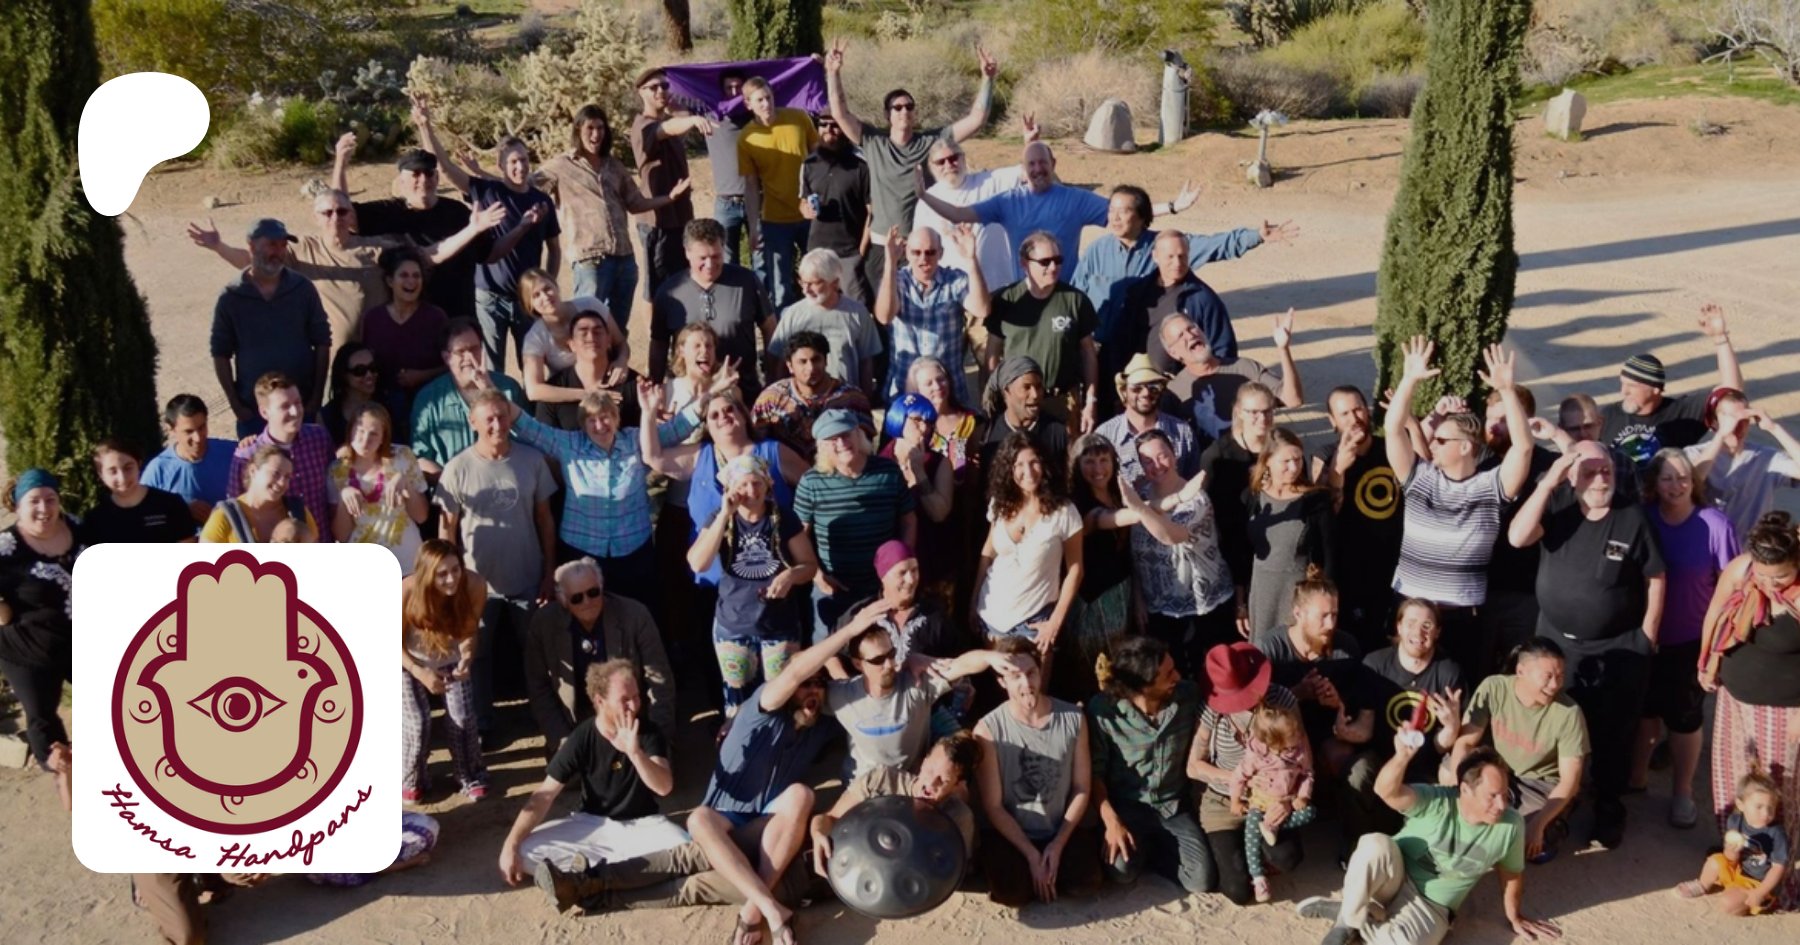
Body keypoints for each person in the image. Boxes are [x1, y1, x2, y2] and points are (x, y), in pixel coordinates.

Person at [1508, 439, 1665, 849]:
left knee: (1614, 731)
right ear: (1571, 476)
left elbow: (1655, 576)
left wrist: (1648, 634)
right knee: (1555, 724)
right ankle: (1560, 802)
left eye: (1606, 470)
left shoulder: (1631, 517)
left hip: (1620, 647)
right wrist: (1547, 484)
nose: (1600, 479)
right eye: (1590, 471)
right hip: (1558, 645)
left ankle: (1609, 805)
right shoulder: (1557, 505)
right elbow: (1517, 537)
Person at [1296, 740, 1561, 945]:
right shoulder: (1437, 799)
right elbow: (1384, 791)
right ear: (1465, 789)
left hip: (1433, 906)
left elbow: (1511, 873)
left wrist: (1514, 916)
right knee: (1374, 844)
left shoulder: (1511, 825)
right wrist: (1402, 756)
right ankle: (1346, 923)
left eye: (1505, 794)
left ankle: (1353, 910)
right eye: (1492, 796)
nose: (1502, 805)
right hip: (1393, 876)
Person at [1385, 338, 1535, 682]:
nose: (1432, 444)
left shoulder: (1491, 487)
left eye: (1441, 440)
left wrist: (1507, 391)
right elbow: (1393, 430)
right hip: (1410, 611)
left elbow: (1524, 448)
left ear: (1466, 446)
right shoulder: (1418, 477)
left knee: (1459, 696)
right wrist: (1409, 380)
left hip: (1463, 619)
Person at [823, 37, 998, 293]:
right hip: (882, 246)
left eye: (909, 106)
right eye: (897, 107)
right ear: (888, 115)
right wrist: (833, 72)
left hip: (921, 247)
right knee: (883, 311)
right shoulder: (873, 141)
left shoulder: (931, 142)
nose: (904, 111)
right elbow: (840, 113)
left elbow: (977, 119)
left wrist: (988, 79)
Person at [435, 389, 560, 740]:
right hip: (476, 584)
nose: (497, 424)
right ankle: (482, 725)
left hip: (528, 577)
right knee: (476, 656)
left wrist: (549, 571)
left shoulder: (531, 460)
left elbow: (545, 519)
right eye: (488, 418)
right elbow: (446, 530)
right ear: (472, 421)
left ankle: (546, 718)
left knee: (537, 652)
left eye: (502, 416)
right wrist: (450, 584)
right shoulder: (457, 468)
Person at [506, 381, 699, 607]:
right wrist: (487, 386)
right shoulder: (569, 445)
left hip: (634, 551)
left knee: (637, 614)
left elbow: (676, 429)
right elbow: (529, 428)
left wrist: (706, 400)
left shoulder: (636, 440)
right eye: (591, 420)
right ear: (583, 425)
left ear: (616, 418)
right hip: (581, 550)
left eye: (605, 417)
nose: (599, 425)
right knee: (583, 615)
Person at [504, 659, 686, 888]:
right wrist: (510, 844)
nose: (634, 706)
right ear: (600, 701)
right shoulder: (583, 736)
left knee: (684, 846)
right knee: (526, 851)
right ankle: (621, 873)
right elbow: (545, 794)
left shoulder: (647, 731)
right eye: (625, 700)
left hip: (642, 826)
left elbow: (664, 786)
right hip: (592, 825)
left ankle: (592, 877)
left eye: (636, 697)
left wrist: (635, 753)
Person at [1074, 185, 1293, 374]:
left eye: (1123, 211)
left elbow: (1215, 244)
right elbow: (1075, 297)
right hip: (1100, 352)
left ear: (1141, 216)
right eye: (1111, 210)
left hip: (1147, 356)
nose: (1114, 218)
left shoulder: (1167, 247)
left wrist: (1256, 236)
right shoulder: (1096, 251)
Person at [913, 142, 1199, 285]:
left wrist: (1174, 206)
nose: (1037, 169)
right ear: (1024, 169)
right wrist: (924, 196)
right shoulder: (1007, 201)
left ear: (1053, 164)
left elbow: (1126, 213)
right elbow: (958, 213)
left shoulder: (1075, 199)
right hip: (1024, 293)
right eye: (1031, 164)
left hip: (1066, 292)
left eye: (1042, 163)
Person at [1698, 511, 1800, 911]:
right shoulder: (1741, 570)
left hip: (1784, 709)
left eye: (1781, 576)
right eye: (1764, 575)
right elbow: (1716, 612)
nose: (1771, 584)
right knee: (1734, 779)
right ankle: (1735, 854)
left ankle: (1778, 875)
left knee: (1777, 792)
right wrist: (1707, 661)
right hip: (1735, 697)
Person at [1634, 448, 1737, 828]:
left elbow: (1733, 589)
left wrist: (1718, 648)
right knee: (1644, 713)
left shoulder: (1715, 525)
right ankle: (1636, 779)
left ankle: (1683, 792)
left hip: (1691, 640)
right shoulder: (1643, 518)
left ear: (1694, 482)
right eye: (1667, 478)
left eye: (1682, 478)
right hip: (1643, 636)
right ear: (1654, 483)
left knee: (1684, 720)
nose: (1675, 485)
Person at [802, 595, 1007, 781]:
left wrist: (991, 657)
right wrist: (849, 630)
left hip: (908, 783)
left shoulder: (916, 685)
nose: (889, 665)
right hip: (862, 785)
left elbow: (961, 665)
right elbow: (797, 672)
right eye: (878, 660)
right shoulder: (841, 695)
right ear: (858, 664)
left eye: (891, 654)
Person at [687, 454, 821, 716]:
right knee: (737, 704)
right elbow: (697, 563)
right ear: (730, 489)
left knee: (780, 699)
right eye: (743, 485)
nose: (751, 491)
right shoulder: (719, 518)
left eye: (757, 483)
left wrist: (791, 576)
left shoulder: (783, 518)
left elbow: (809, 566)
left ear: (768, 484)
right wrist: (725, 515)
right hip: (733, 624)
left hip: (779, 624)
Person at [974, 635, 1103, 906]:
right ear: (1002, 681)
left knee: (1086, 883)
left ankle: (1051, 866)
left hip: (1058, 827)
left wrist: (1058, 844)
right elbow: (994, 806)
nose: (1026, 684)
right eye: (1015, 676)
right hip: (1013, 832)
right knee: (1012, 893)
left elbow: (1081, 787)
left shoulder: (1073, 718)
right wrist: (1031, 855)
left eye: (1031, 673)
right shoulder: (987, 730)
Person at [1088, 636, 1214, 898]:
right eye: (1168, 674)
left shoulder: (1189, 696)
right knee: (1122, 873)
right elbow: (1095, 773)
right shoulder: (1103, 711)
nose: (1177, 676)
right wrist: (1111, 821)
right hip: (1128, 806)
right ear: (1142, 686)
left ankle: (1153, 851)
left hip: (1173, 805)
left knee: (1200, 880)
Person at [537, 103, 688, 318]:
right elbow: (528, 187)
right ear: (578, 129)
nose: (596, 134)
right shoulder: (561, 166)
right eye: (590, 128)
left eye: (600, 128)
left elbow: (635, 204)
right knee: (587, 323)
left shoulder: (614, 165)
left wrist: (669, 198)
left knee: (617, 328)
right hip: (590, 259)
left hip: (624, 259)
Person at [1344, 600, 1466, 858]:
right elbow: (1365, 728)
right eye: (1411, 623)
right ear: (1398, 626)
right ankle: (1358, 844)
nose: (1418, 632)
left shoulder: (1448, 671)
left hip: (1424, 765)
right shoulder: (1375, 664)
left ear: (1437, 632)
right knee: (1357, 771)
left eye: (1427, 625)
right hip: (1381, 759)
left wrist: (1452, 726)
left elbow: (1441, 746)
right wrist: (1341, 730)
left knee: (1449, 779)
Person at [1189, 642, 1307, 906]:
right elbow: (1194, 766)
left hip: (1273, 797)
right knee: (1237, 891)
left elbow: (1304, 759)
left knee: (1287, 858)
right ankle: (1240, 856)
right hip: (1224, 800)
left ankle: (1256, 852)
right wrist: (1238, 778)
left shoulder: (1281, 699)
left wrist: (1289, 800)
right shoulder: (1211, 710)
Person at [1450, 638, 1587, 864]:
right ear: (1521, 671)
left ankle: (1555, 821)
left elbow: (1570, 781)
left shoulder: (1569, 713)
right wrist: (1460, 790)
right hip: (1498, 769)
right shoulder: (1494, 687)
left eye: (1560, 676)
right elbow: (1465, 743)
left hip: (1539, 783)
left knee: (1523, 840)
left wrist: (1538, 825)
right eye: (1547, 676)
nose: (1555, 685)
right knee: (1448, 769)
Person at [524, 557, 676, 752]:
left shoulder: (635, 615)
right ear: (563, 600)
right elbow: (539, 689)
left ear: (601, 588)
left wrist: (656, 743)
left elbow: (660, 682)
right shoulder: (544, 624)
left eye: (593, 592)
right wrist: (563, 743)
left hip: (631, 723)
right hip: (576, 727)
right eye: (577, 598)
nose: (587, 602)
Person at [332, 143, 495, 325]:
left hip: (459, 320)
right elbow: (342, 211)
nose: (423, 179)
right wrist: (340, 163)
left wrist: (518, 228)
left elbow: (489, 253)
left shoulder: (458, 212)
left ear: (437, 177)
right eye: (416, 174)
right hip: (408, 322)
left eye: (429, 173)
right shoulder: (388, 212)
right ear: (401, 182)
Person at [797, 410, 919, 640]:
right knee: (830, 651)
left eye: (846, 434)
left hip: (882, 587)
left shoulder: (888, 471)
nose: (842, 443)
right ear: (822, 447)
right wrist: (818, 576)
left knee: (886, 649)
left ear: (858, 434)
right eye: (832, 439)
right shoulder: (811, 482)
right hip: (833, 589)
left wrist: (900, 567)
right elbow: (800, 535)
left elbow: (909, 520)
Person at [208, 219, 333, 437]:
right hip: (254, 413)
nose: (279, 252)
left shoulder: (302, 288)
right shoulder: (231, 297)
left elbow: (322, 341)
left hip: (300, 409)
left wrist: (315, 399)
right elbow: (220, 353)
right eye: (272, 244)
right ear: (252, 245)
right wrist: (237, 407)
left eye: (283, 245)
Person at [1129, 429, 1236, 678]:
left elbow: (1170, 535)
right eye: (1147, 461)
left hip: (1203, 607)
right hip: (1158, 608)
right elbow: (1134, 553)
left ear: (1174, 455)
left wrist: (1139, 509)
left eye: (1162, 456)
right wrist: (1138, 597)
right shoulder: (1141, 498)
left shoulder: (1195, 498)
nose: (1157, 465)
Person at [0, 471, 81, 786]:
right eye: (34, 501)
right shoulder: (6, 548)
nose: (44, 508)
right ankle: (68, 782)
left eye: (51, 499)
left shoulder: (77, 527)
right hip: (29, 651)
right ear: (18, 506)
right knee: (43, 718)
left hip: (78, 641)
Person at [808, 731, 984, 876]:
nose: (931, 784)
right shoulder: (881, 780)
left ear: (956, 785)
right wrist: (818, 834)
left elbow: (957, 871)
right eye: (930, 770)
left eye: (943, 780)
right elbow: (829, 818)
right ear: (924, 763)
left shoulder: (958, 816)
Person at [974, 433, 1083, 661]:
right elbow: (989, 551)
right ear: (1008, 469)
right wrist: (973, 600)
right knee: (1000, 685)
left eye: (1034, 462)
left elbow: (1075, 570)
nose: (1029, 471)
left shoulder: (1064, 511)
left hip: (1035, 624)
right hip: (991, 618)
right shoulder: (999, 504)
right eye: (1019, 465)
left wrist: (1055, 623)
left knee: (1034, 685)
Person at [1313, 386, 1404, 651]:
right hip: (1351, 571)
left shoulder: (1391, 448)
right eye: (1344, 414)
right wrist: (1337, 470)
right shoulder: (1325, 455)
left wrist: (1410, 421)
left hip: (1394, 568)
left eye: (1358, 409)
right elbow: (1322, 514)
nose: (1354, 418)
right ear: (1332, 421)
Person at [1599, 302, 1743, 469]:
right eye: (1623, 383)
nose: (1624, 391)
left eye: (1633, 386)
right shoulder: (1608, 416)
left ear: (1655, 389)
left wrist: (1720, 338)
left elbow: (1732, 392)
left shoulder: (1682, 414)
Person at [649, 218, 776, 404]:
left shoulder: (746, 282)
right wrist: (656, 389)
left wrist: (773, 380)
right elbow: (658, 344)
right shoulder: (669, 292)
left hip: (743, 395)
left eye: (716, 256)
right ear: (687, 253)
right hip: (688, 399)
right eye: (702, 258)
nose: (709, 264)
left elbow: (770, 329)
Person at [982, 232, 1100, 432]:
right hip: (1018, 404)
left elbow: (1088, 353)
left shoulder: (1075, 300)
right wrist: (995, 397)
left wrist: (1091, 402)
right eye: (1045, 262)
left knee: (1067, 452)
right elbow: (992, 354)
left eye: (1058, 260)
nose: (1053, 267)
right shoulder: (1006, 300)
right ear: (1024, 263)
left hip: (1062, 401)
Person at [1255, 571, 1370, 775]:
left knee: (1344, 759)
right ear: (1298, 613)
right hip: (1284, 735)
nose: (1330, 625)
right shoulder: (1270, 648)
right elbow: (1257, 710)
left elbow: (1359, 706)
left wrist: (1337, 702)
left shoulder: (1346, 647)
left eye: (1334, 615)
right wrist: (1295, 694)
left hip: (1326, 733)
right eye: (1323, 616)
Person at [400, 540, 488, 801]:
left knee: (462, 717)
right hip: (408, 660)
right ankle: (412, 777)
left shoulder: (474, 585)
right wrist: (420, 672)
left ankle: (469, 774)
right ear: (427, 574)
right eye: (442, 574)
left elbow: (469, 631)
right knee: (417, 722)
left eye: (455, 569)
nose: (451, 579)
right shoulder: (406, 591)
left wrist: (467, 656)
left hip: (450, 656)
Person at [875, 223, 989, 405]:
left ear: (940, 253)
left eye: (930, 252)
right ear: (906, 253)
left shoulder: (954, 279)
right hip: (906, 387)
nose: (923, 259)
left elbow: (981, 309)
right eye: (916, 252)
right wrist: (890, 263)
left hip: (947, 390)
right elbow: (884, 316)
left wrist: (971, 259)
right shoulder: (897, 280)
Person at [1200, 382, 1282, 635]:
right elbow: (1204, 507)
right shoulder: (1218, 455)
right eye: (1254, 412)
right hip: (1229, 554)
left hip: (1274, 551)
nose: (1262, 418)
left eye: (1267, 411)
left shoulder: (1281, 449)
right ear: (1238, 411)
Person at [408, 318, 529, 480]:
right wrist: (455, 484)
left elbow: (529, 440)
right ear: (446, 357)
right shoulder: (429, 400)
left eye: (474, 349)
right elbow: (420, 458)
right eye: (461, 352)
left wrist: (490, 389)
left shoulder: (509, 389)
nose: (470, 357)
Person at [1160, 312, 1302, 449]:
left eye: (1191, 328)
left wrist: (1283, 349)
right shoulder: (1175, 391)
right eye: (1180, 336)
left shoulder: (1244, 368)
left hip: (1257, 457)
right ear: (1174, 353)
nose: (1190, 335)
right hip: (1211, 463)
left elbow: (1293, 400)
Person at [1063, 435, 1136, 697]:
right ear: (1076, 465)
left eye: (1104, 460)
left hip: (1121, 595)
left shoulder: (1119, 494)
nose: (1098, 469)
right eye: (1089, 461)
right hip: (1092, 603)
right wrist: (1158, 506)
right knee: (1093, 672)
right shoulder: (1076, 505)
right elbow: (1107, 519)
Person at [736, 76, 817, 312]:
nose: (766, 104)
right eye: (760, 100)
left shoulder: (798, 118)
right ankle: (784, 331)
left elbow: (819, 157)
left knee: (819, 275)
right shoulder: (746, 138)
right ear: (748, 104)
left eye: (769, 97)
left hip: (809, 215)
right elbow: (751, 186)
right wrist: (754, 226)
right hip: (775, 220)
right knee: (781, 286)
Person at [1246, 428, 1335, 639]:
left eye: (1298, 459)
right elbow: (1243, 550)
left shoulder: (1316, 501)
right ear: (1267, 460)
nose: (1294, 467)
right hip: (1261, 589)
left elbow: (1330, 554)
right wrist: (1241, 602)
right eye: (1286, 461)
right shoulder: (1254, 496)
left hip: (1297, 593)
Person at [225, 372, 338, 535]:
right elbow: (235, 511)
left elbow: (334, 485)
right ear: (264, 412)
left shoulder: (319, 438)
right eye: (285, 406)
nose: (295, 411)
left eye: (298, 402)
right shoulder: (247, 456)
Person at [631, 69, 708, 304]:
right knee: (656, 289)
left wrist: (676, 106)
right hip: (657, 221)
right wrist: (693, 120)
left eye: (664, 86)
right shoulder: (643, 126)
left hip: (680, 217)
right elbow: (668, 129)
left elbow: (676, 119)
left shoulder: (668, 120)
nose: (660, 91)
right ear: (640, 92)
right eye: (653, 87)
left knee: (682, 281)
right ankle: (655, 329)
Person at [912, 134, 1025, 292]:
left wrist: (1030, 141)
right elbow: (919, 247)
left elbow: (1027, 171)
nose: (948, 165)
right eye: (941, 162)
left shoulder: (990, 182)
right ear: (931, 166)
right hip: (951, 290)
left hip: (997, 286)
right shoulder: (927, 200)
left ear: (963, 158)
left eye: (953, 158)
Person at [1230, 700, 1315, 902]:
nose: (1299, 734)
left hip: (1286, 802)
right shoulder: (1257, 756)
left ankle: (1272, 826)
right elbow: (1238, 777)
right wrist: (1236, 800)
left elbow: (1307, 773)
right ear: (1276, 742)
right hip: (1260, 802)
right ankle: (1258, 877)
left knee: (1311, 812)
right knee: (1252, 833)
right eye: (1293, 733)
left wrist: (1303, 795)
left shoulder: (1299, 751)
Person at [328, 403, 429, 572]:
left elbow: (421, 516)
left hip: (406, 563)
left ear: (383, 437)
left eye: (374, 434)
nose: (365, 440)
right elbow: (341, 535)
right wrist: (344, 498)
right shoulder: (336, 470)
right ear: (350, 431)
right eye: (360, 431)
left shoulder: (402, 456)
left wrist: (406, 485)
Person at [876, 395, 959, 600]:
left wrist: (920, 474)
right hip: (890, 564)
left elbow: (939, 513)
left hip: (932, 559)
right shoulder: (879, 463)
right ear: (899, 419)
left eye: (929, 422)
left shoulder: (939, 463)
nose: (924, 428)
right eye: (917, 420)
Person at [1688, 388, 1800, 540]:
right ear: (1714, 422)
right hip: (1710, 545)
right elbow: (1690, 482)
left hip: (1753, 548)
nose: (1738, 427)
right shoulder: (1695, 454)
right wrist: (1721, 435)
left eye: (1744, 421)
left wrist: (1775, 428)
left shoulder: (1766, 457)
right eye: (1732, 420)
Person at [1675, 771, 1790, 916]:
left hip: (1757, 881)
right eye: (1759, 807)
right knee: (1714, 861)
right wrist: (1731, 850)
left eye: (1771, 807)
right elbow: (1730, 858)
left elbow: (1778, 868)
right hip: (1737, 869)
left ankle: (1758, 900)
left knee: (1729, 904)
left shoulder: (1776, 833)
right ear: (1741, 804)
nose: (1766, 813)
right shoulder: (1735, 821)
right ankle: (1703, 885)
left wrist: (1760, 892)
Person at [768, 251, 883, 394]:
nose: (806, 290)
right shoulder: (792, 314)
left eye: (814, 283)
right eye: (803, 282)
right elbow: (778, 360)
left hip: (845, 399)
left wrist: (865, 401)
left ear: (834, 283)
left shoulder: (857, 313)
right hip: (802, 401)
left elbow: (866, 362)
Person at [359, 247, 448, 431]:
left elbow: (451, 364)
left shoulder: (436, 317)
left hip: (429, 405)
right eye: (404, 275)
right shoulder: (373, 318)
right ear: (390, 281)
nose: (411, 281)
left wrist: (422, 376)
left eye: (416, 276)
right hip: (382, 409)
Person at [515, 268, 629, 408]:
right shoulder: (535, 338)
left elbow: (620, 342)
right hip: (569, 395)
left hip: (608, 381)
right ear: (530, 305)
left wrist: (621, 361)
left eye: (547, 289)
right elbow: (534, 390)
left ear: (556, 287)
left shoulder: (590, 305)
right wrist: (587, 393)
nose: (545, 297)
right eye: (536, 295)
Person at [753, 329, 874, 460]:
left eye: (816, 360)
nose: (811, 368)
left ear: (826, 361)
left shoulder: (852, 399)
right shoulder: (771, 399)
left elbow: (865, 448)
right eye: (802, 361)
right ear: (790, 366)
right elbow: (756, 445)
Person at [796, 116, 873, 307]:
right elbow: (803, 202)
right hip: (817, 250)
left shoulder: (861, 165)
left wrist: (861, 250)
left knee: (855, 308)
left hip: (850, 252)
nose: (828, 129)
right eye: (823, 124)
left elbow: (872, 211)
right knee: (817, 306)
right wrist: (806, 210)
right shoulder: (809, 164)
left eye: (835, 125)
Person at [531, 306, 644, 432]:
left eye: (597, 332)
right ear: (572, 345)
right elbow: (546, 440)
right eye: (583, 333)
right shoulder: (553, 392)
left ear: (608, 340)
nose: (591, 338)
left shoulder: (635, 386)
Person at [1095, 354, 1198, 488]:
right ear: (1124, 391)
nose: (1145, 393)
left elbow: (1193, 482)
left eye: (1153, 387)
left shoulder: (1182, 432)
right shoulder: (1105, 435)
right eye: (1137, 388)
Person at [143, 394, 238, 528]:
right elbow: (144, 518)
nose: (198, 438)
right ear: (171, 429)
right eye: (189, 431)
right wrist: (181, 510)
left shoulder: (233, 453)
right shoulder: (158, 470)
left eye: (202, 428)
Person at [79, 440, 197, 545]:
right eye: (112, 471)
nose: (122, 478)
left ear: (139, 465)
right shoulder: (96, 520)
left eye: (128, 468)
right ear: (101, 475)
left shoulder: (171, 505)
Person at [201, 445, 319, 543]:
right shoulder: (225, 517)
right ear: (253, 471)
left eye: (287, 477)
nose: (282, 483)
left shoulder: (298, 512)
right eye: (276, 473)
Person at [979, 356, 1069, 476]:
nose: (1035, 395)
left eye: (1038, 387)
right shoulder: (988, 434)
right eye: (1026, 387)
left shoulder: (1057, 433)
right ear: (1007, 391)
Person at [707, 70, 751, 267]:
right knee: (724, 261)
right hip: (725, 203)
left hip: (757, 200)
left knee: (762, 260)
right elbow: (673, 107)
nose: (734, 92)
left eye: (738, 87)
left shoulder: (758, 117)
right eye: (729, 88)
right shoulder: (710, 116)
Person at [320, 342, 382, 446]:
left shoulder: (391, 406)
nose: (369, 375)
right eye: (359, 371)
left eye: (372, 368)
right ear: (344, 375)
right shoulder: (327, 416)